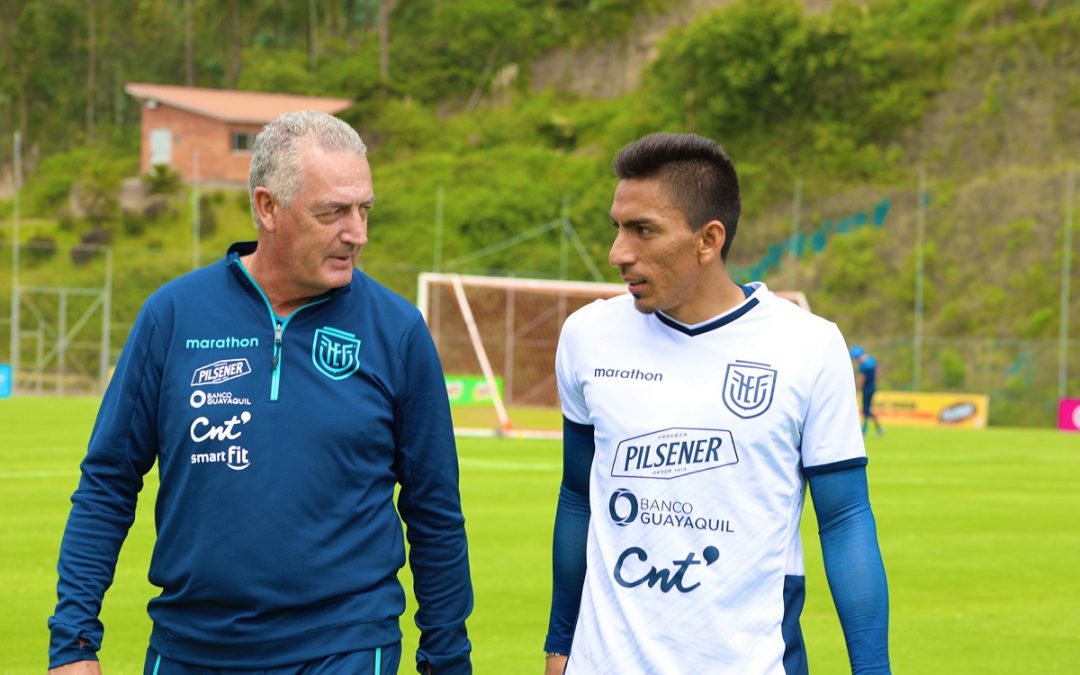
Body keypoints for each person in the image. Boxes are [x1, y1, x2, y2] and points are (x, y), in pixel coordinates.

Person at [48, 110, 473, 675]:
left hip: (342, 647)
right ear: (268, 207)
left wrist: (447, 662)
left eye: (364, 209)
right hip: (190, 647)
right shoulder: (174, 316)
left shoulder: (396, 331)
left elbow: (435, 512)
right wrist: (73, 644)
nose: (358, 233)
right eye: (333, 212)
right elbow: (107, 484)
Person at [543, 132, 890, 674]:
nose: (618, 253)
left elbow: (845, 519)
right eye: (617, 228)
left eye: (643, 230)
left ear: (709, 239)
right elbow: (577, 495)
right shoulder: (587, 336)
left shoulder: (809, 346)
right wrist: (560, 641)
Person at [850, 346, 884, 436]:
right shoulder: (872, 361)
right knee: (867, 409)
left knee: (866, 409)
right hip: (872, 387)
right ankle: (869, 428)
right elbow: (877, 372)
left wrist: (856, 388)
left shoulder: (863, 365)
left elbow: (862, 378)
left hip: (866, 388)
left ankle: (873, 428)